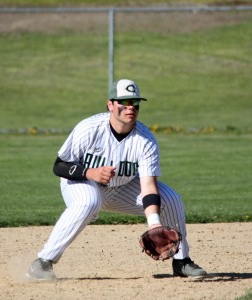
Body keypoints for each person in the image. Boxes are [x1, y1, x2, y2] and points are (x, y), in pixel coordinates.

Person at [26, 78, 207, 281]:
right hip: (82, 183)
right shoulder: (89, 128)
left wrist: (154, 224)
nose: (131, 107)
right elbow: (59, 166)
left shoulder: (145, 140)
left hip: (123, 187)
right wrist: (90, 173)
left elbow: (148, 185)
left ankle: (181, 262)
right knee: (89, 201)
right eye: (125, 102)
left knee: (171, 199)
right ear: (110, 105)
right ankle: (43, 262)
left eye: (135, 102)